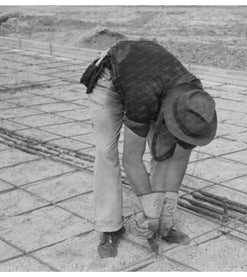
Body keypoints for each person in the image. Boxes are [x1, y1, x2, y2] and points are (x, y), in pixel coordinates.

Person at [80, 40, 217, 258]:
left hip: (155, 84)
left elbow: (178, 158)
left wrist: (167, 209)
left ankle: (159, 222)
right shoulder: (143, 96)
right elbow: (132, 159)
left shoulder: (194, 103)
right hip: (113, 80)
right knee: (107, 152)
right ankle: (109, 226)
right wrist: (148, 203)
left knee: (164, 152)